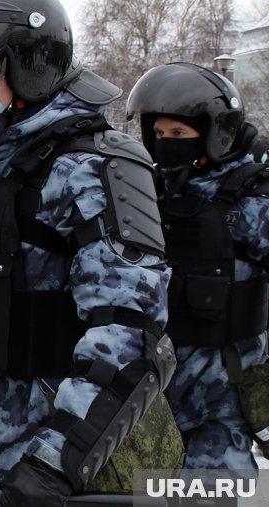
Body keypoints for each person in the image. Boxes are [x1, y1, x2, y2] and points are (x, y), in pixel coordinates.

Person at [0, 1, 183, 505]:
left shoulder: (93, 165)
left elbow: (130, 334)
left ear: (32, 64)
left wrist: (58, 461)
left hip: (34, 461)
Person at [125, 62, 269, 469]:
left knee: (210, 497)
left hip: (223, 394)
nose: (167, 143)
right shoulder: (148, 191)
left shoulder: (249, 199)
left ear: (214, 133)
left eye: (179, 134)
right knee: (148, 494)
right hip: (155, 391)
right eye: (159, 134)